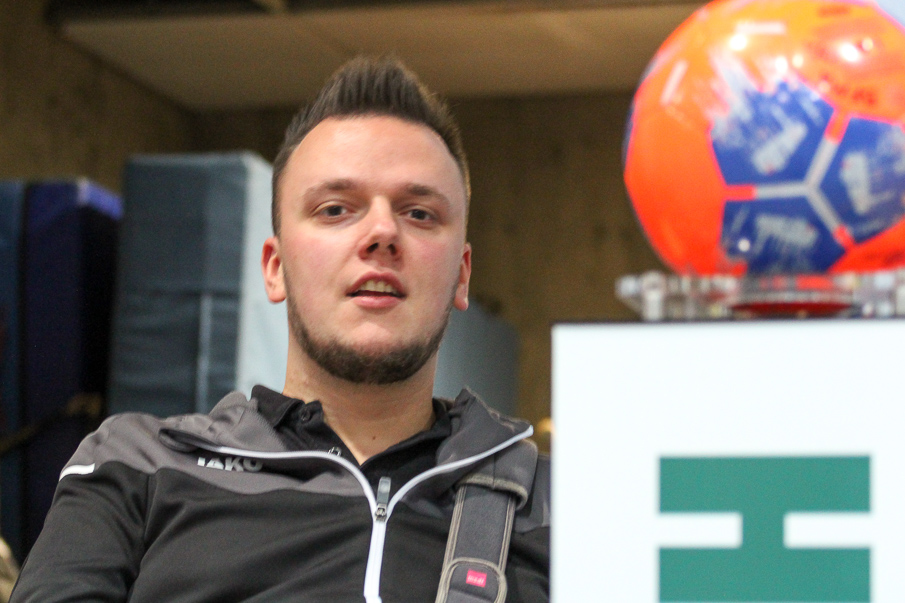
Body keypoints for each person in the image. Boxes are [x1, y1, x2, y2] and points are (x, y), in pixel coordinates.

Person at [10, 57, 549, 602]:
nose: (382, 231)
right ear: (274, 267)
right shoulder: (137, 464)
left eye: (420, 214)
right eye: (335, 209)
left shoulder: (556, 505)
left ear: (462, 274)